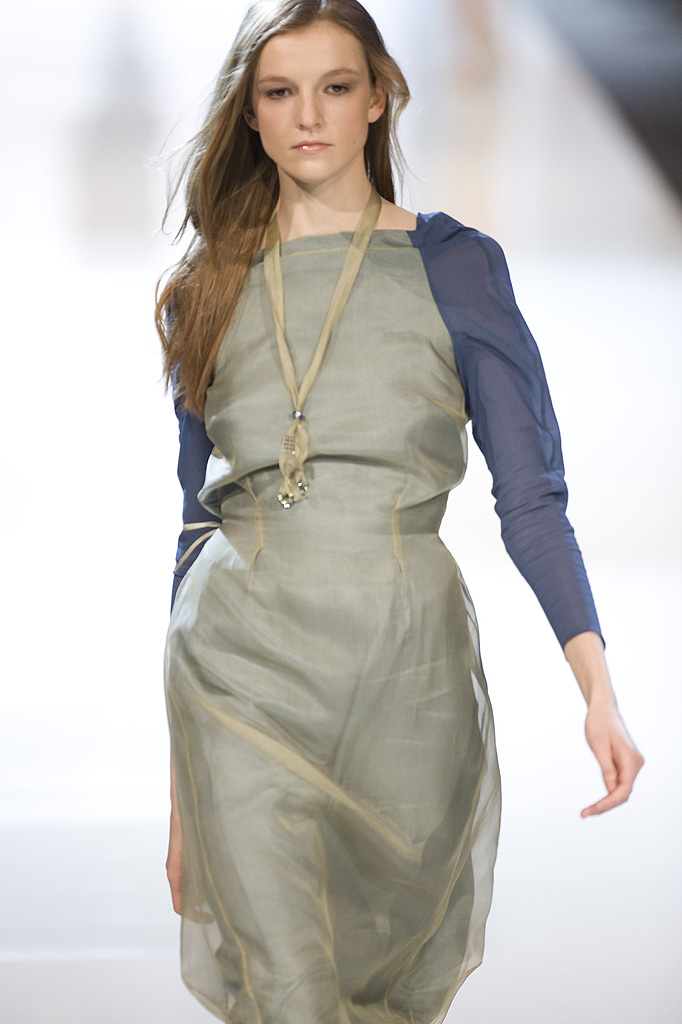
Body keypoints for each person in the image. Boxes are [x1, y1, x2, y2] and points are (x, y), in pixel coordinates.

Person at [155, 2, 644, 1022]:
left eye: (335, 88)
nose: (308, 116)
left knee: (379, 997)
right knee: (290, 994)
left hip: (405, 677)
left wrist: (597, 688)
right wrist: (182, 784)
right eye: (280, 93)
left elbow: (530, 494)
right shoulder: (209, 285)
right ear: (250, 114)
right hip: (234, 676)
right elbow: (196, 521)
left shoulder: (456, 268)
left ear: (379, 99)